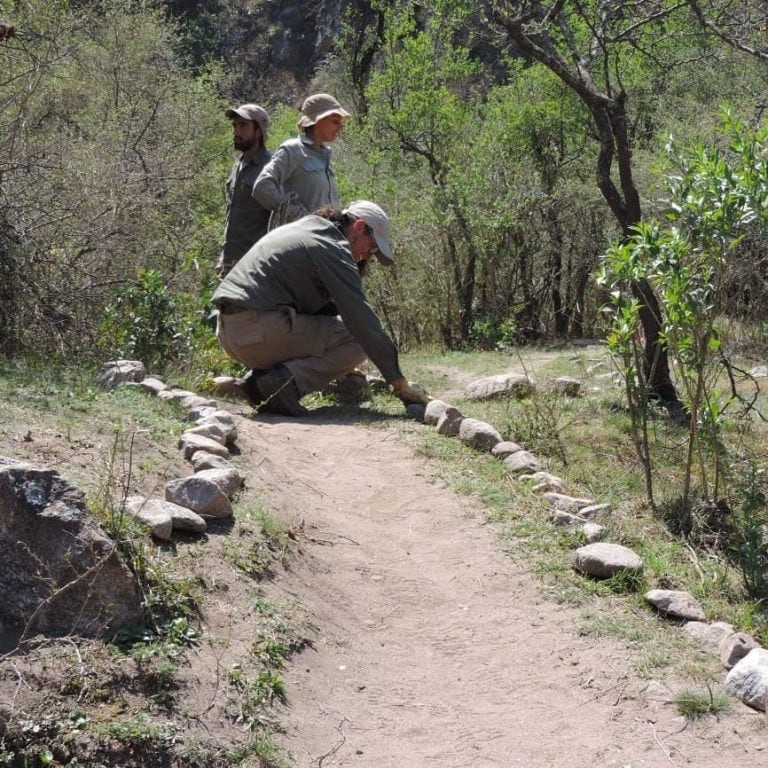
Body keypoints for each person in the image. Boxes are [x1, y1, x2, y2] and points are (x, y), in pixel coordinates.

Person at [211, 201, 429, 416]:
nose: (366, 256)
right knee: (356, 339)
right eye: (371, 247)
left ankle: (257, 383)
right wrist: (398, 381)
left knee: (334, 326)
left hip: (233, 330)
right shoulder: (331, 247)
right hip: (257, 329)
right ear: (359, 227)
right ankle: (280, 387)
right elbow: (361, 320)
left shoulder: (311, 229)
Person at [252, 93, 350, 229]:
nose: (340, 127)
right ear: (318, 120)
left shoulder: (325, 155)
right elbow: (262, 187)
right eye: (335, 121)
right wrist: (295, 214)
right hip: (301, 242)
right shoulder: (293, 150)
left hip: (323, 242)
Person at [217, 103, 272, 277]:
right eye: (235, 126)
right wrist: (223, 257)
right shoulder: (238, 164)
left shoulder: (272, 166)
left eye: (243, 126)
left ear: (258, 132)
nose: (236, 132)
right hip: (230, 262)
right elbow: (232, 216)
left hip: (256, 265)